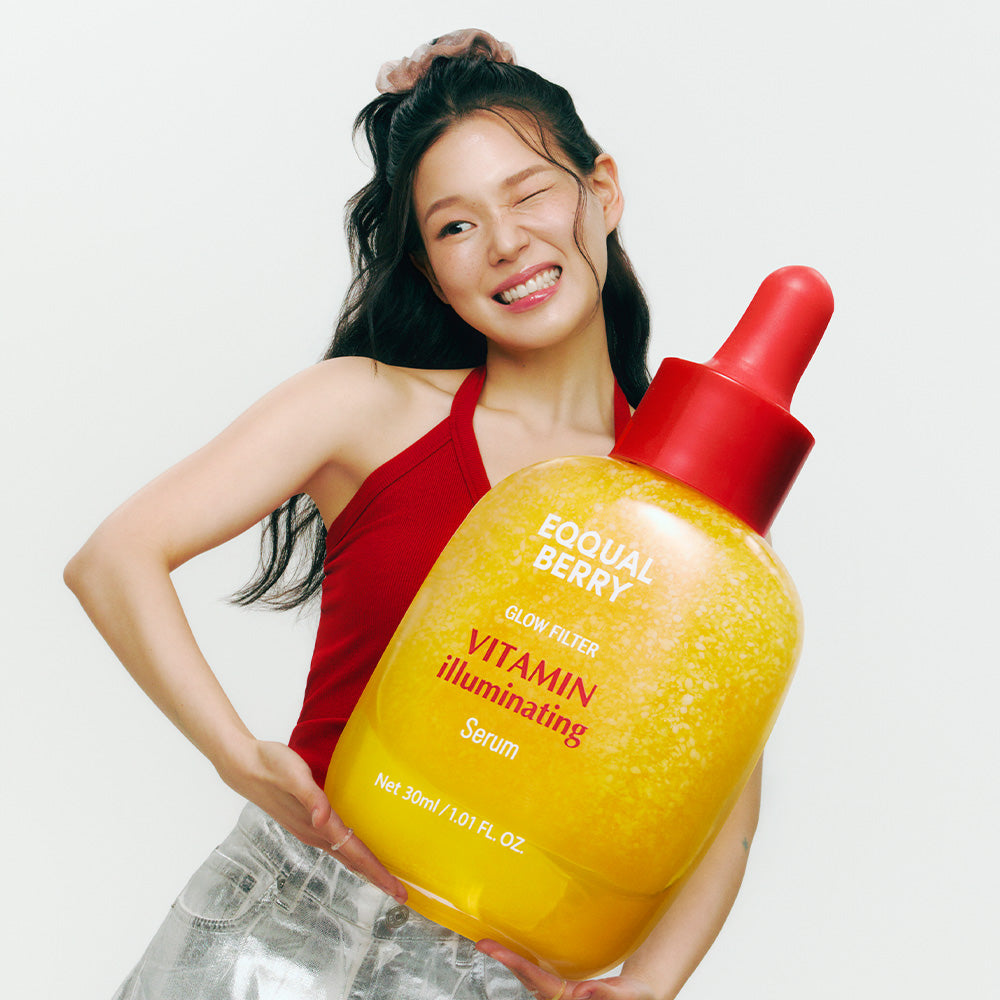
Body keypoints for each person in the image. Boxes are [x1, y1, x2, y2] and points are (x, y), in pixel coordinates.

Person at [65, 29, 763, 1000]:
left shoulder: (682, 522)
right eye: (456, 225)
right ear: (432, 268)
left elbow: (720, 788)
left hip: (489, 966)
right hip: (282, 921)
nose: (506, 242)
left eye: (530, 193)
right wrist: (239, 758)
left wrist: (649, 983)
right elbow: (115, 557)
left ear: (601, 191)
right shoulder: (366, 408)